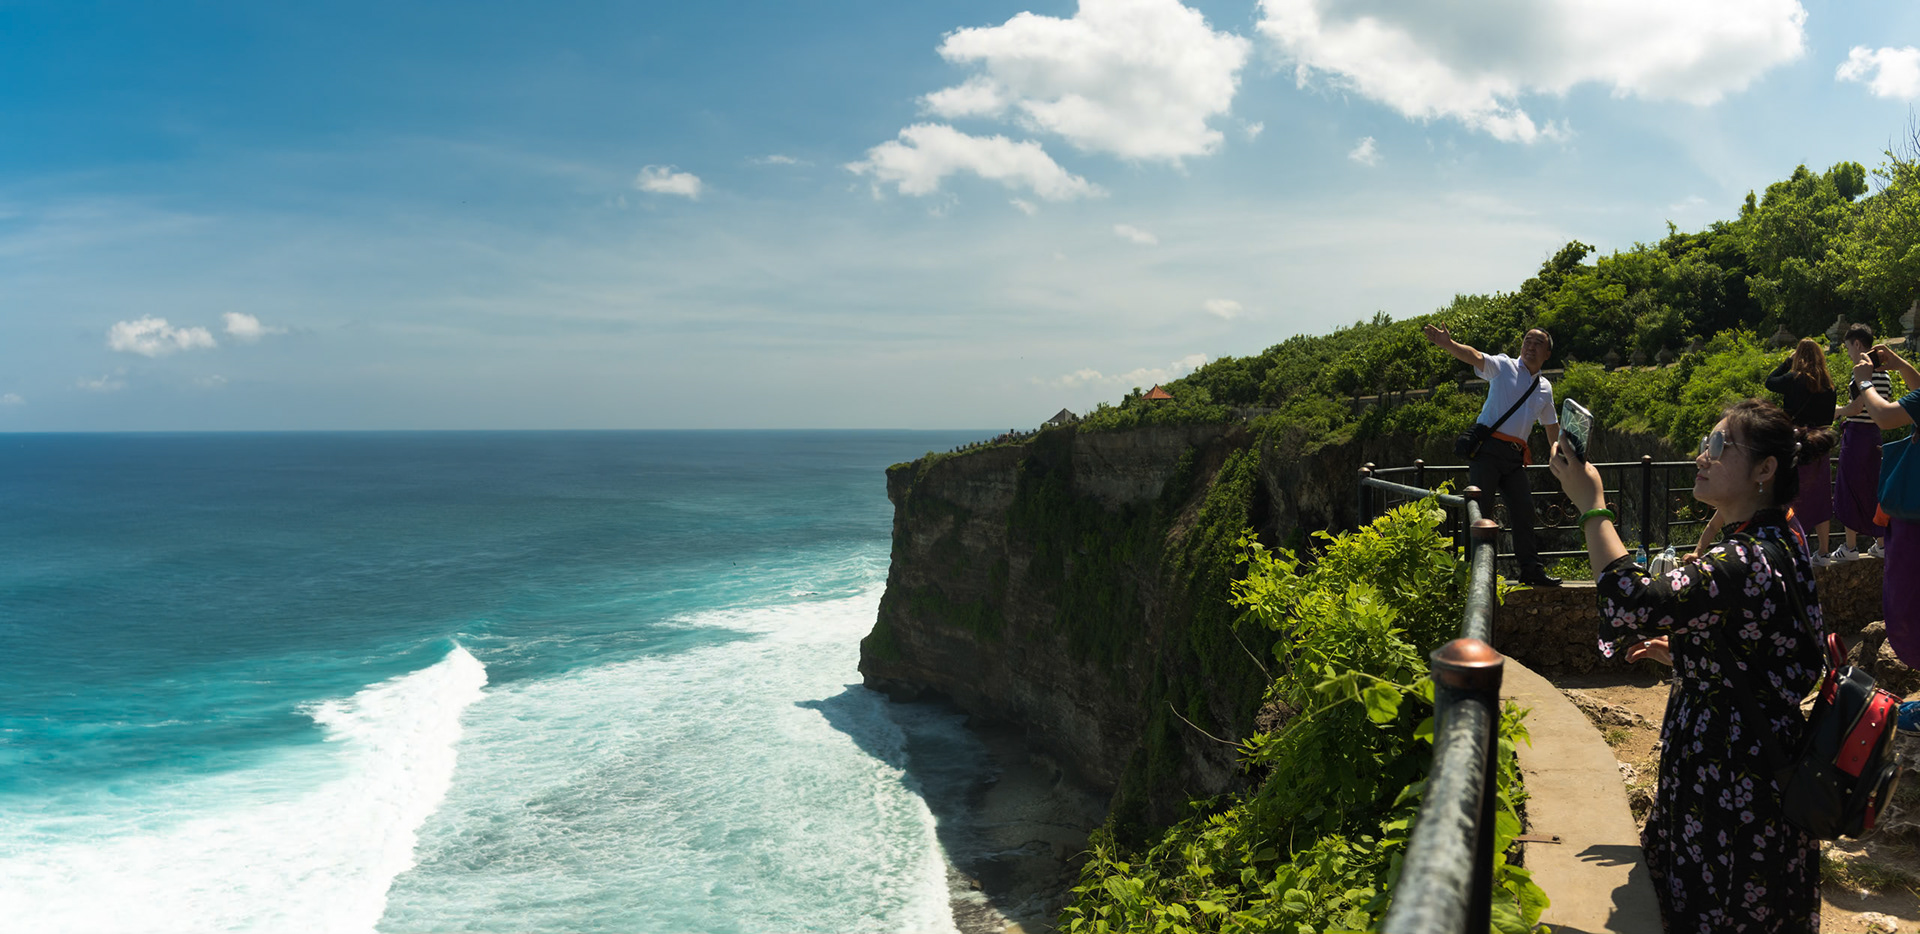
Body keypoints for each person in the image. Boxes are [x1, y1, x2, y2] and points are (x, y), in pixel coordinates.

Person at [1549, 398, 1833, 933]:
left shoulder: (1741, 560)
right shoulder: (1783, 537)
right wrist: (1683, 654)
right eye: (1706, 442)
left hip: (1727, 771)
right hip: (1755, 757)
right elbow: (1767, 644)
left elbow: (1629, 601)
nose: (1703, 455)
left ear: (1765, 470)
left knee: (1717, 904)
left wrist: (1592, 504)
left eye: (1721, 446)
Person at [1423, 324, 1563, 586]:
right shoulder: (1504, 365)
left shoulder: (1545, 387)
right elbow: (1475, 356)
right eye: (1527, 341)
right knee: (1479, 512)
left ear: (1548, 353)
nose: (1530, 346)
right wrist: (1448, 344)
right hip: (1487, 452)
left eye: (1537, 343)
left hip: (1514, 458)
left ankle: (1530, 570)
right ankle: (1472, 574)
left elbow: (1551, 426)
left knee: (1524, 512)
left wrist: (1559, 457)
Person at [1840, 341, 1920, 676]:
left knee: (1909, 605)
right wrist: (1901, 365)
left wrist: (1864, 382)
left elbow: (1886, 417)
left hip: (1914, 516)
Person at [1765, 338, 1838, 561]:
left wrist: (1787, 362)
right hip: (1819, 443)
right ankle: (1824, 551)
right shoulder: (1829, 386)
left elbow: (1770, 382)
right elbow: (1827, 419)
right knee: (1821, 496)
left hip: (1795, 441)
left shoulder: (1794, 379)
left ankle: (1793, 550)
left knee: (1792, 495)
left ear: (1798, 356)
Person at [1834, 324, 1893, 560]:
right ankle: (1880, 543)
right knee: (1871, 489)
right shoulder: (1886, 374)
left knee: (1848, 488)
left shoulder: (1860, 371)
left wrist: (1837, 411)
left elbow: (1856, 408)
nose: (1848, 352)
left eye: (1848, 346)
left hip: (1857, 436)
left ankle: (1849, 547)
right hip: (1875, 436)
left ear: (1857, 344)